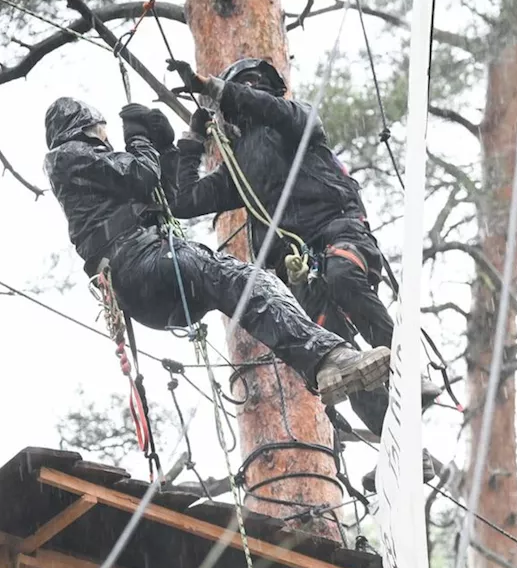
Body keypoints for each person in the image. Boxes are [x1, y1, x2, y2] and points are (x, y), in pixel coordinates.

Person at [42, 97, 391, 407]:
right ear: (87, 128)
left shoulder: (95, 172)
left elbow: (168, 195)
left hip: (153, 283)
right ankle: (326, 357)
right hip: (140, 266)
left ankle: (322, 365)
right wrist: (138, 137)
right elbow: (143, 175)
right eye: (102, 130)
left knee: (246, 293)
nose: (107, 136)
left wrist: (168, 146)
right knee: (249, 282)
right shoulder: (66, 156)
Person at [161, 58, 441, 441]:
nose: (252, 93)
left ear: (270, 90)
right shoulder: (238, 169)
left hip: (336, 226)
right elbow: (184, 200)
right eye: (246, 87)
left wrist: (215, 89)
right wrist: (193, 139)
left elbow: (269, 109)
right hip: (296, 263)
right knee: (339, 355)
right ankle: (402, 444)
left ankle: (409, 374)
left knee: (344, 276)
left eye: (256, 86)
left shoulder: (295, 120)